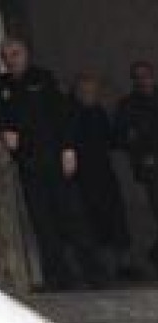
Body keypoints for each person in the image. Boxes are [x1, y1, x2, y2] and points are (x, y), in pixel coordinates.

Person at [0, 38, 102, 290]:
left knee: (72, 216)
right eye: (6, 55)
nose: (11, 59)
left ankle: (94, 273)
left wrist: (68, 148)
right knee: (42, 222)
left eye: (16, 53)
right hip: (27, 160)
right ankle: (59, 277)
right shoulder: (0, 84)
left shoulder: (43, 78)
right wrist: (5, 130)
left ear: (26, 54)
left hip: (53, 155)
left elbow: (63, 114)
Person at [70, 73, 131, 277]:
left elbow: (109, 140)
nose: (92, 95)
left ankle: (122, 265)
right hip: (84, 177)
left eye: (94, 92)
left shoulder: (98, 112)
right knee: (94, 221)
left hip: (104, 172)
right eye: (87, 91)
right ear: (78, 92)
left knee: (116, 217)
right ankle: (102, 267)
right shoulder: (72, 114)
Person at [116, 60, 158, 265]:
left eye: (146, 75)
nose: (143, 80)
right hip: (150, 169)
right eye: (138, 77)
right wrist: (140, 150)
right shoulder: (128, 105)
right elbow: (122, 137)